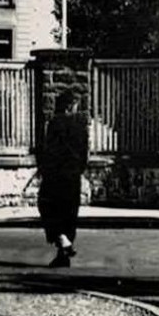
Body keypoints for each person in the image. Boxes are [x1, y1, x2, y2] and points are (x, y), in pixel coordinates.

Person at [37, 89, 90, 268]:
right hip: (73, 174)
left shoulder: (55, 123)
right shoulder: (82, 126)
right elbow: (84, 153)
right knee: (69, 211)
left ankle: (61, 240)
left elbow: (50, 149)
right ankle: (63, 252)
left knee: (48, 206)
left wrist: (44, 168)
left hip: (56, 174)